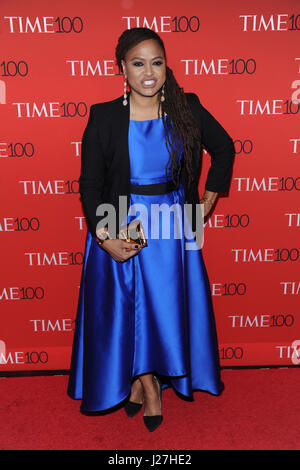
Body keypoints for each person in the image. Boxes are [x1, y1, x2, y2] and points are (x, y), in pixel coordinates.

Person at [67, 27, 235, 432]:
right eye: (138, 63)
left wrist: (207, 202)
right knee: (129, 308)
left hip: (174, 222)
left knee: (165, 308)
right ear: (122, 67)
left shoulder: (187, 107)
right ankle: (147, 383)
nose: (148, 72)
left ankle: (149, 382)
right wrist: (105, 237)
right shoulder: (104, 115)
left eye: (156, 62)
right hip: (121, 217)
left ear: (166, 66)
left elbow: (225, 148)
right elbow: (90, 184)